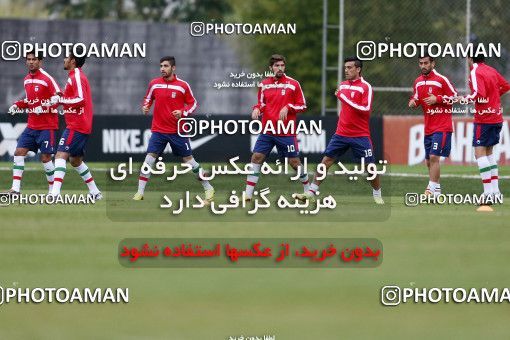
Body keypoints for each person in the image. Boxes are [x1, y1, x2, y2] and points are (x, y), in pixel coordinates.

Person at [296, 56, 383, 204]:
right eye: (345, 68)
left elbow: (365, 109)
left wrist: (344, 98)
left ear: (358, 69)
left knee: (370, 167)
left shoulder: (365, 87)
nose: (346, 70)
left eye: (350, 68)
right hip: (341, 133)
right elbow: (346, 107)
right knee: (326, 161)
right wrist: (343, 98)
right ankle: (311, 192)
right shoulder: (342, 85)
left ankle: (377, 194)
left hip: (360, 135)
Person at [133, 56, 214, 201]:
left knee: (189, 161)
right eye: (161, 66)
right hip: (158, 130)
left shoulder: (183, 85)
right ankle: (139, 193)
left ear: (173, 68)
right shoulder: (154, 84)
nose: (162, 69)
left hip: (178, 131)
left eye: (165, 66)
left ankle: (209, 188)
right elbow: (148, 98)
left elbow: (193, 104)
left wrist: (183, 112)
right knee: (149, 160)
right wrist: (146, 106)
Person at [244, 54, 309, 201]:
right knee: (256, 157)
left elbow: (303, 105)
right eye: (276, 66)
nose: (280, 68)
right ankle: (247, 195)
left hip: (286, 131)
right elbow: (261, 103)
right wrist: (256, 109)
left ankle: (308, 191)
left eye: (282, 65)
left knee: (294, 162)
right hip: (267, 130)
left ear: (285, 67)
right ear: (271, 68)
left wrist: (288, 107)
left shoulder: (293, 84)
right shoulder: (264, 84)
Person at [50, 46, 102, 199]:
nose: (64, 60)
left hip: (77, 124)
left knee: (60, 156)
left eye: (66, 57)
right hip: (79, 124)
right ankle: (95, 192)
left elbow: (80, 99)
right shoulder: (74, 76)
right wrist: (61, 96)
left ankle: (54, 194)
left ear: (73, 60)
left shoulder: (77, 76)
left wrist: (61, 99)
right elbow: (72, 98)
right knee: (75, 161)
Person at [7, 52, 61, 194]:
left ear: (40, 62)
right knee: (18, 153)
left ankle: (52, 191)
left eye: (34, 59)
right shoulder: (26, 80)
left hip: (47, 126)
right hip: (32, 126)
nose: (31, 62)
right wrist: (17, 105)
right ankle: (15, 189)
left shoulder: (47, 78)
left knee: (46, 158)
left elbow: (58, 98)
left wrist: (43, 107)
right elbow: (29, 100)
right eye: (28, 59)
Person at [408, 54, 457, 196]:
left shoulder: (441, 80)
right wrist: (413, 102)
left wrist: (438, 98)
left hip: (442, 126)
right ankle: (437, 191)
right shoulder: (417, 81)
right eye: (421, 63)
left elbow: (455, 96)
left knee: (435, 157)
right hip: (428, 127)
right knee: (429, 161)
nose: (423, 66)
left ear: (433, 64)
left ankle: (430, 189)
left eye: (426, 63)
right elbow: (416, 97)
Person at [465, 53, 510, 201]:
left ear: (470, 58)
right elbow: (506, 86)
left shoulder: (475, 71)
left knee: (479, 154)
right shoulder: (491, 70)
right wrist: (494, 98)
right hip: (496, 117)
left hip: (484, 118)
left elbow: (479, 93)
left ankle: (488, 193)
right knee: (489, 153)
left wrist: (464, 98)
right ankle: (496, 192)